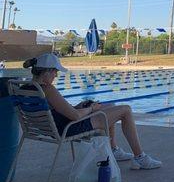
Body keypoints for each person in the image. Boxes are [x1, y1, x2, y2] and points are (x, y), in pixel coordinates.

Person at [23, 53, 162, 170]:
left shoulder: (26, 88)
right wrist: (90, 109)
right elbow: (75, 116)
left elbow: (61, 110)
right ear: (47, 71)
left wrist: (80, 106)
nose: (56, 75)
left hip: (53, 127)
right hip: (69, 128)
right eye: (55, 71)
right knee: (126, 110)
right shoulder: (48, 89)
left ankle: (113, 149)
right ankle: (139, 157)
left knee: (110, 106)